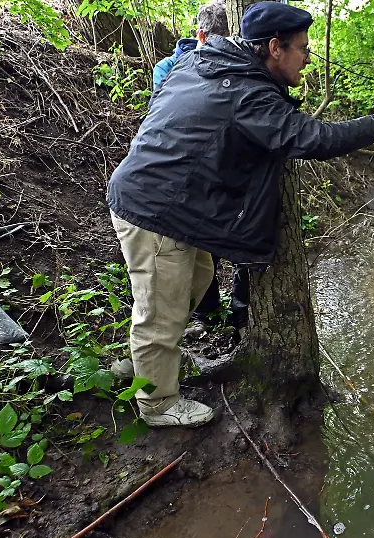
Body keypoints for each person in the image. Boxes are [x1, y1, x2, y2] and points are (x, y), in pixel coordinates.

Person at [108, 1, 374, 428]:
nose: (307, 58)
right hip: (156, 208)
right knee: (161, 306)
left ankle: (144, 361)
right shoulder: (247, 92)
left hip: (166, 200)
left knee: (193, 281)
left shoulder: (209, 61)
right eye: (302, 49)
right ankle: (156, 404)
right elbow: (310, 138)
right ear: (273, 48)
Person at [150, 1, 249, 340]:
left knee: (237, 245)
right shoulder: (172, 66)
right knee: (196, 248)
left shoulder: (241, 65)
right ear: (201, 35)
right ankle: (206, 314)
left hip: (227, 172)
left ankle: (239, 314)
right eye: (215, 39)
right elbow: (165, 117)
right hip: (189, 176)